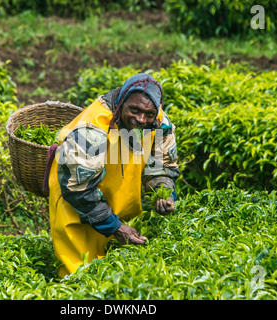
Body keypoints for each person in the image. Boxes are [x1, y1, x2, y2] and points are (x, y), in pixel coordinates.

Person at [47, 73, 180, 278]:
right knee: (77, 276)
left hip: (121, 206)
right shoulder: (92, 127)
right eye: (134, 110)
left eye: (149, 113)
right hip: (77, 205)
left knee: (115, 279)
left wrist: (163, 192)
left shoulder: (159, 123)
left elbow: (162, 166)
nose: (140, 119)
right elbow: (78, 189)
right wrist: (115, 227)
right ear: (121, 102)